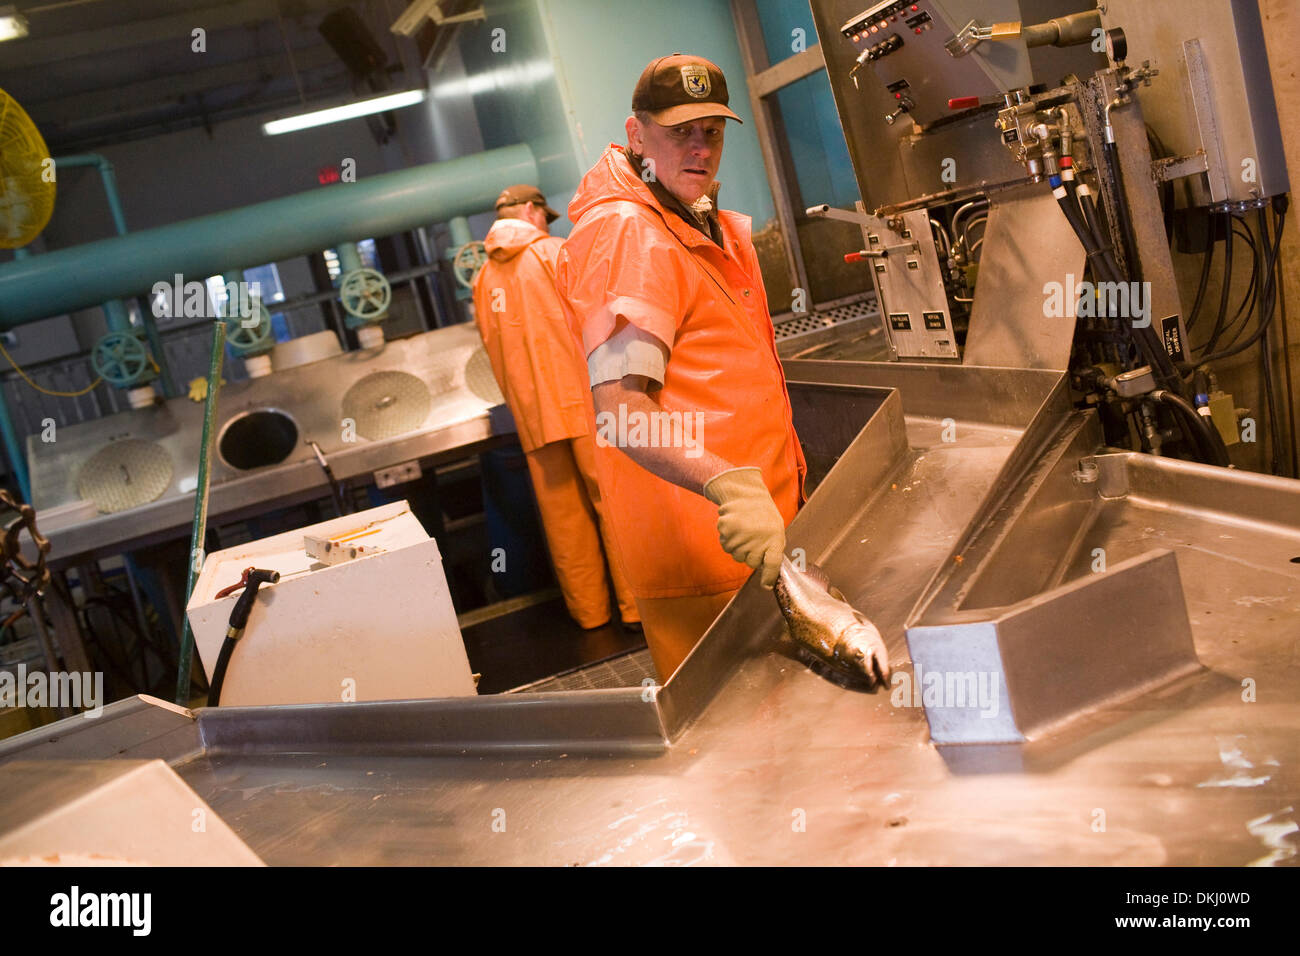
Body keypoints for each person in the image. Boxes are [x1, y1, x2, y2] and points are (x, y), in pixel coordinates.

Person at [556, 54, 806, 679]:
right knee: (746, 747)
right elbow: (621, 411)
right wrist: (730, 485)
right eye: (678, 133)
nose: (699, 149)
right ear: (636, 135)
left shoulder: (684, 219)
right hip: (706, 545)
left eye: (712, 132)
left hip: (748, 536)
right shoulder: (627, 233)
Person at [471, 184, 639, 632]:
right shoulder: (553, 253)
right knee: (612, 503)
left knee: (563, 517)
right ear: (531, 211)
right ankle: (636, 609)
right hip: (583, 402)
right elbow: (599, 320)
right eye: (544, 214)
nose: (546, 222)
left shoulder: (483, 280)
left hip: (532, 417)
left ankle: (590, 615)